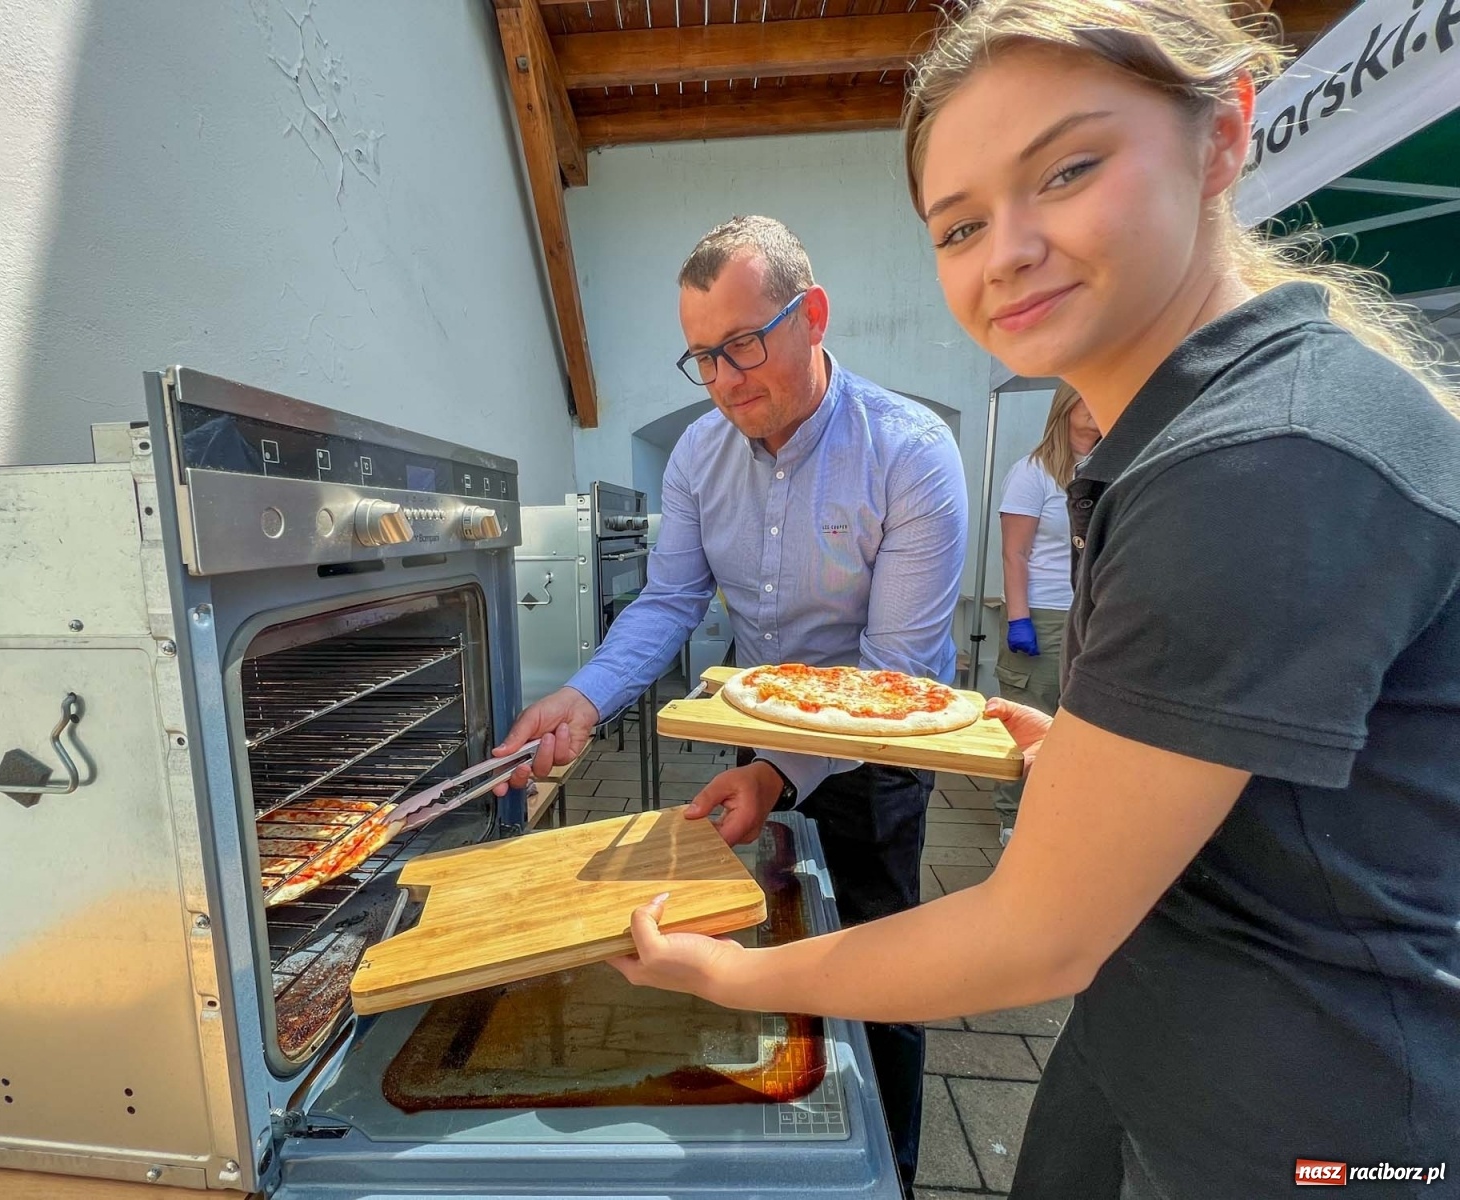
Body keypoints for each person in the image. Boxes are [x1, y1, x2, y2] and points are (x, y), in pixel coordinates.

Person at [606, 3, 1460, 1197]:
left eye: (1067, 169)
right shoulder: (1206, 431)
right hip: (1162, 1026)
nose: (1004, 251)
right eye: (958, 224)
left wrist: (727, 974)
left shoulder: (1263, 456)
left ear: (1222, 136)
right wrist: (1094, 754)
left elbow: (1035, 934)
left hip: (1302, 1099)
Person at [494, 214, 968, 1184]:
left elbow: (896, 672)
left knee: (881, 969)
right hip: (758, 746)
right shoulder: (699, 457)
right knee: (765, 940)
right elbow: (669, 600)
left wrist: (776, 771)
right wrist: (582, 699)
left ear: (813, 316)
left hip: (880, 761)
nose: (723, 379)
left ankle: (891, 1172)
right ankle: (784, 1145)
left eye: (744, 343)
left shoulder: (909, 452)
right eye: (703, 356)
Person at [993, 383, 1099, 841]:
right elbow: (1014, 553)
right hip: (1043, 612)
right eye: (1085, 397)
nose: (1095, 408)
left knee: (1078, 722)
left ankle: (1064, 817)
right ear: (1065, 406)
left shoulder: (1111, 471)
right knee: (1029, 717)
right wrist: (1019, 619)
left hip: (1094, 614)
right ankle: (1012, 822)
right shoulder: (1033, 473)